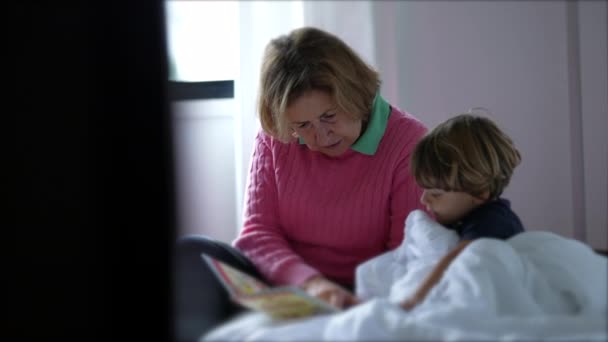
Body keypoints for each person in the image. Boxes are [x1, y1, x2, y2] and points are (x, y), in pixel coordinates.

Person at [175, 26, 428, 341]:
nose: (320, 137)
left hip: (359, 293)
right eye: (303, 126)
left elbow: (405, 254)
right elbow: (257, 234)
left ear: (356, 94)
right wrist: (310, 284)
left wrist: (344, 298)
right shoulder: (277, 134)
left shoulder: (408, 141)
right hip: (285, 286)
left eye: (329, 116)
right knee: (190, 255)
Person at [399, 111, 525, 310]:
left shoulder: (493, 220)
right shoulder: (461, 216)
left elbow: (455, 260)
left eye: (436, 194)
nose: (424, 200)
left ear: (479, 192)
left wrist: (415, 300)